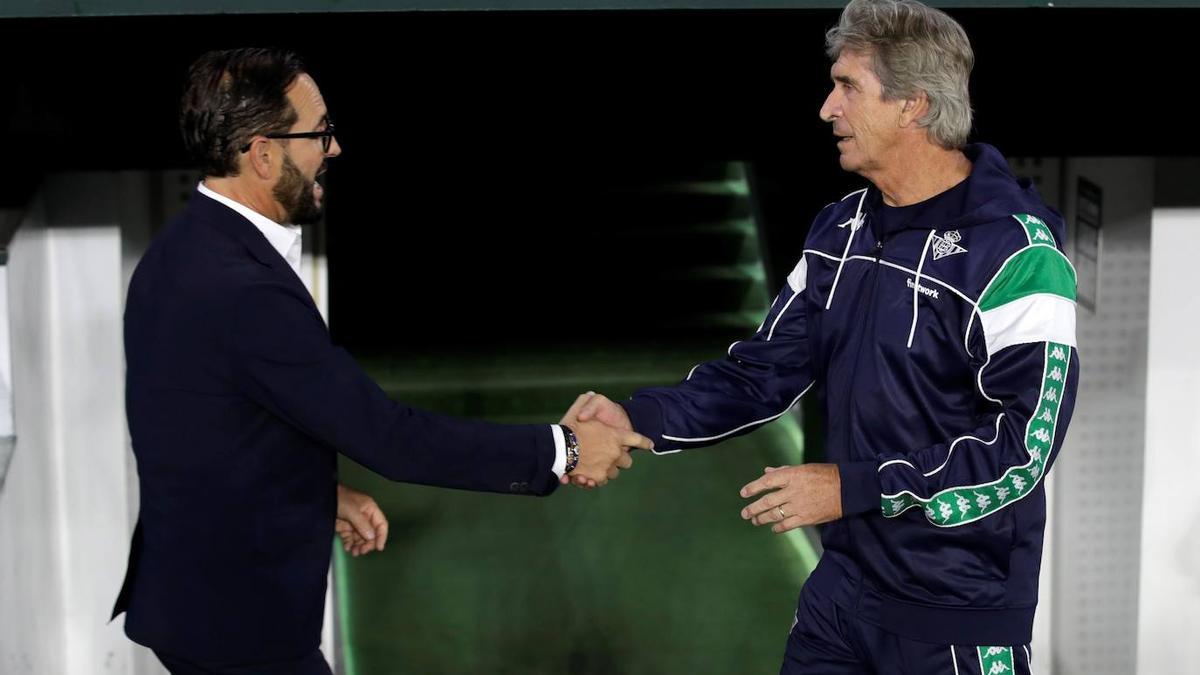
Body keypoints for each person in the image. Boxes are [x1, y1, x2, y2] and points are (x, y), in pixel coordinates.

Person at [111, 47, 650, 675]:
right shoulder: (242, 290)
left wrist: (318, 492)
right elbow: (391, 438)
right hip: (240, 624)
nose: (334, 150)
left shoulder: (183, 248)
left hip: (195, 604)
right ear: (262, 155)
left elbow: (209, 424)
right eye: (321, 134)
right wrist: (566, 449)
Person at [575, 1, 1079, 672]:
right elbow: (762, 373)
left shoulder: (1018, 256)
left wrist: (854, 487)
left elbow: (1022, 451)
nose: (825, 108)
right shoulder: (840, 231)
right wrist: (638, 416)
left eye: (848, 86)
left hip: (951, 619)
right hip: (839, 599)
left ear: (912, 107)